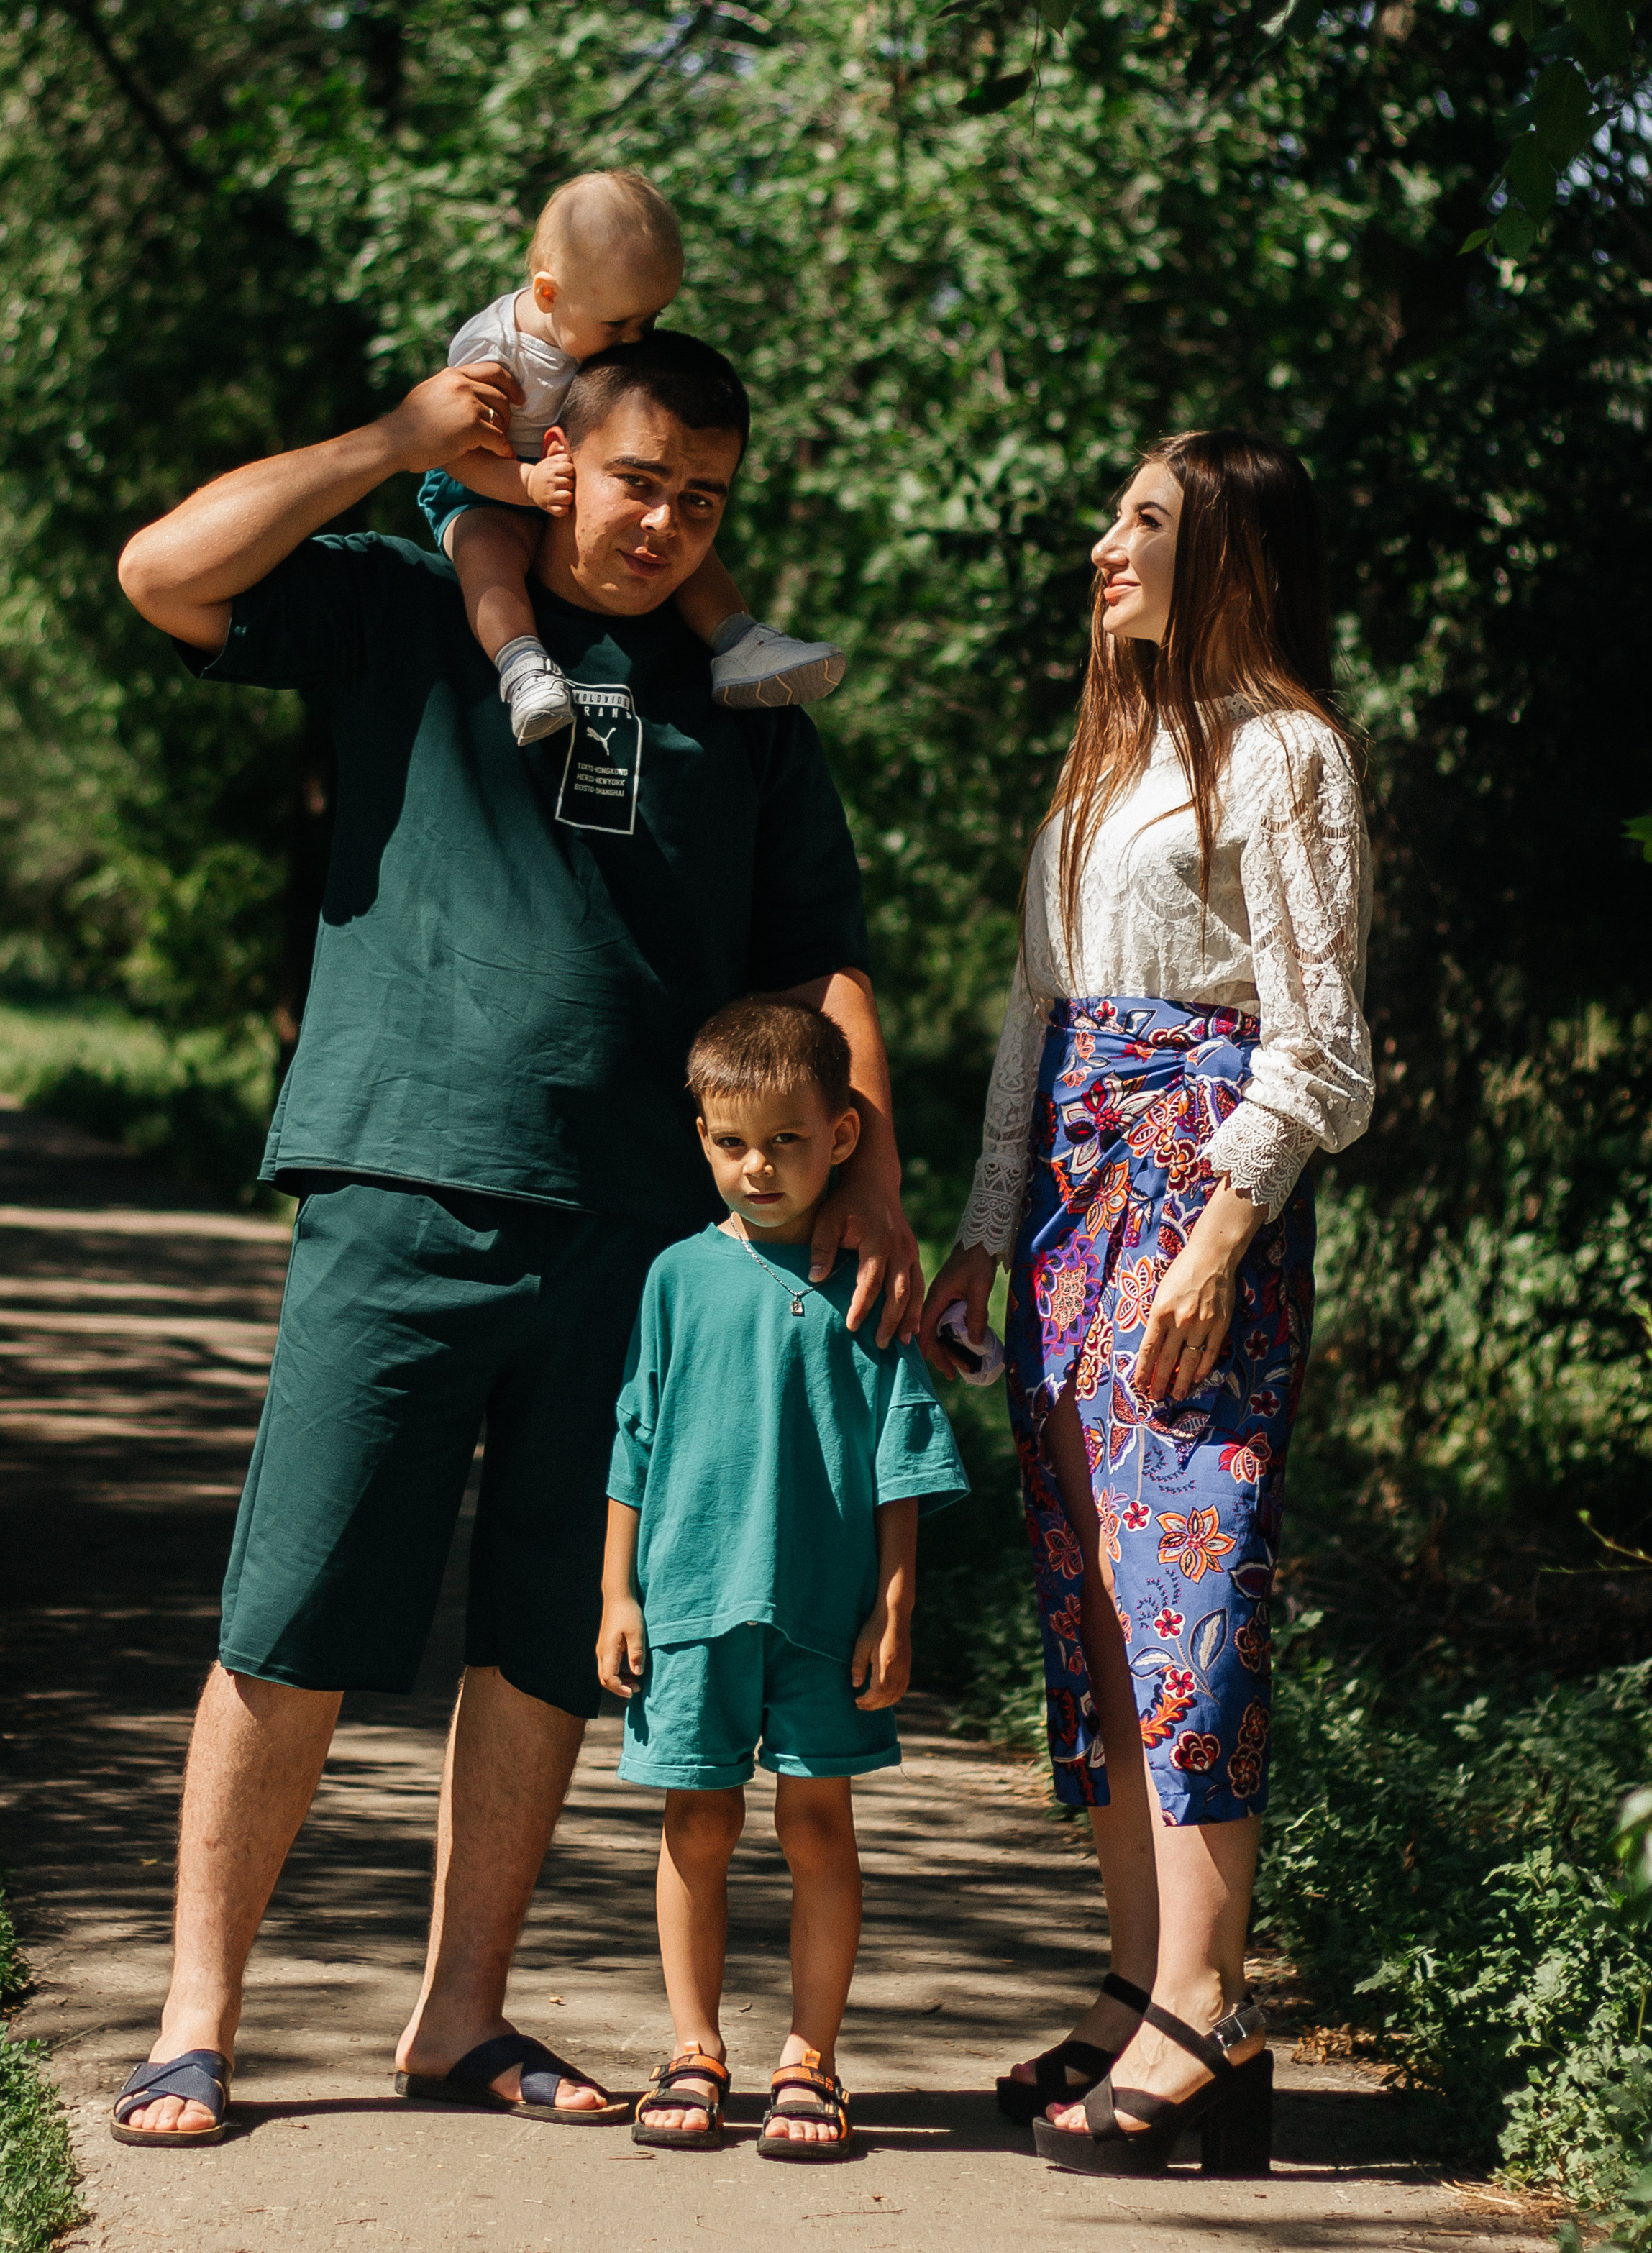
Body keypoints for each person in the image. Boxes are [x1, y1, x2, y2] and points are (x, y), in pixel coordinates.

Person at [107, 328, 923, 2145]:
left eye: (700, 498)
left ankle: (456, 2014)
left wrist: (867, 1157)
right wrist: (397, 436)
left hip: (644, 1236)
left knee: (553, 1635)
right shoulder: (407, 603)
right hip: (402, 1173)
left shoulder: (744, 694)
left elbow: (818, 952)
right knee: (297, 1603)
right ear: (555, 459)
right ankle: (195, 2016)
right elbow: (161, 574)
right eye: (638, 480)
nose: (662, 523)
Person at [922, 429, 1373, 2180]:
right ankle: (1139, 1987)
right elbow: (1030, 1030)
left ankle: (1209, 2004)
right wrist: (981, 1229)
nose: (1100, 543)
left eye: (1144, 520)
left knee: (1189, 1590)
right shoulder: (1097, 769)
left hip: (1195, 1201)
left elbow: (1319, 1042)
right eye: (1110, 513)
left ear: (1230, 557)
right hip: (1063, 1211)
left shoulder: (1284, 754)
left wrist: (1216, 1233)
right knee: (1096, 1597)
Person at [597, 997, 967, 2161]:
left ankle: (810, 2060)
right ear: (701, 1134)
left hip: (821, 1608)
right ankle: (693, 2048)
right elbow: (635, 1439)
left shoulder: (867, 1280)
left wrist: (896, 1604)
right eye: (730, 1142)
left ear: (844, 1134)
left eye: (787, 1141)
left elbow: (902, 1453)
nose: (757, 1167)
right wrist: (618, 1592)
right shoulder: (674, 1278)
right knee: (696, 1825)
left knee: (818, 1827)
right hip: (691, 1607)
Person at [424, 168, 846, 744]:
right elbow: (450, 453)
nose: (634, 340)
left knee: (681, 539)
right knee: (490, 553)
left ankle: (738, 641)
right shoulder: (493, 353)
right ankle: (522, 666)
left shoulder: (592, 317)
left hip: (571, 478)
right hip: (486, 482)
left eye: (650, 321)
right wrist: (523, 485)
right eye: (618, 324)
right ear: (549, 294)